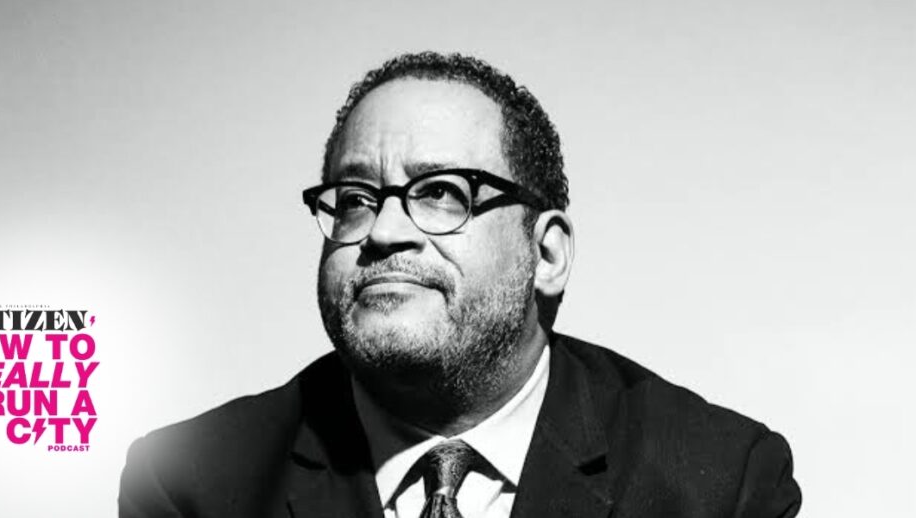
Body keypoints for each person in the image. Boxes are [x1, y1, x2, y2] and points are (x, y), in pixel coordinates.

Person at [118, 52, 801, 518]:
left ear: (548, 254)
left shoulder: (716, 481)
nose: (382, 230)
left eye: (441, 192)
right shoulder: (195, 486)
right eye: (354, 198)